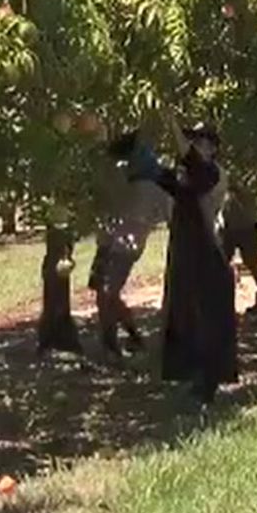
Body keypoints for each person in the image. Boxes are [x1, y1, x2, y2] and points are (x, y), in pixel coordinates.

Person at [131, 121, 236, 405]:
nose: (194, 147)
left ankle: (207, 384)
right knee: (185, 316)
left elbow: (190, 166)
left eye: (201, 142)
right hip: (185, 254)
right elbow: (158, 174)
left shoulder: (212, 173)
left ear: (213, 148)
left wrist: (172, 123)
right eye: (194, 141)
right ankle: (193, 379)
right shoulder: (188, 177)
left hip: (208, 254)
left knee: (206, 321)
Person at [89, 130, 171, 358]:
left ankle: (114, 343)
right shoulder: (122, 175)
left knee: (108, 292)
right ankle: (124, 338)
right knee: (103, 293)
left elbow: (170, 215)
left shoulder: (153, 184)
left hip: (126, 245)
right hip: (108, 239)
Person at [221, 180, 257, 314]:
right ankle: (223, 299)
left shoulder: (247, 170)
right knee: (222, 261)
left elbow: (251, 189)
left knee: (251, 261)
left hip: (247, 223)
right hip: (229, 224)